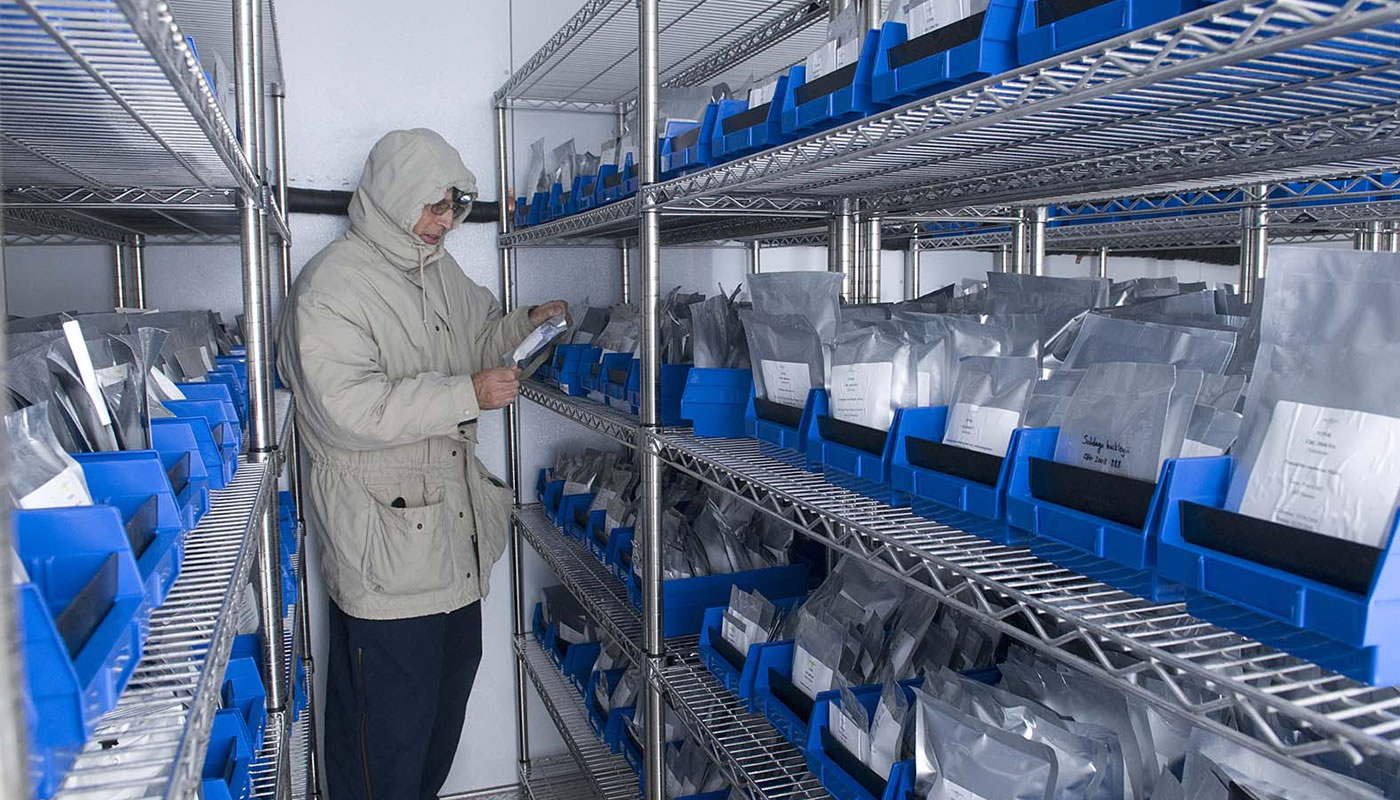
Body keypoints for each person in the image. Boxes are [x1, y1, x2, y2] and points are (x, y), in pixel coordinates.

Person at [277, 128, 566, 800]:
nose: (444, 221)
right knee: (384, 743)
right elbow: (349, 407)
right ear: (391, 197)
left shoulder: (439, 273)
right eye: (432, 205)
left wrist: (530, 323)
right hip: (386, 558)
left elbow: (480, 339)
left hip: (451, 548)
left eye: (454, 207)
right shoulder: (331, 287)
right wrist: (466, 394)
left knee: (436, 725)